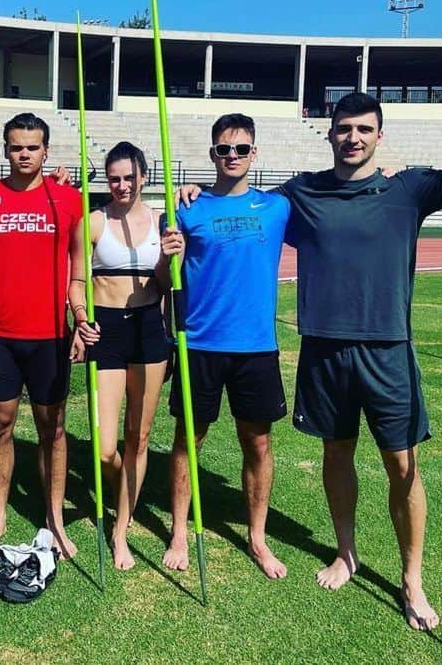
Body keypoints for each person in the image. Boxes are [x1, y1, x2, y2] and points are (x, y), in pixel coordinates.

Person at [281, 48, 442, 630]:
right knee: (336, 453)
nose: (353, 138)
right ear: (329, 134)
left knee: (403, 465)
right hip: (324, 347)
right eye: (344, 129)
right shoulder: (302, 194)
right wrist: (201, 197)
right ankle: (346, 550)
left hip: (387, 350)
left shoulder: (410, 190)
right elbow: (247, 213)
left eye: (364, 130)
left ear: (379, 135)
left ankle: (412, 580)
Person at [157, 114, 290, 579]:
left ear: (254, 154)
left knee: (257, 441)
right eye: (223, 149)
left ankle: (257, 536)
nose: (231, 156)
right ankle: (178, 531)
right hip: (201, 345)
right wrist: (165, 251)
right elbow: (160, 277)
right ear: (212, 154)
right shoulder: (185, 210)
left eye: (240, 149)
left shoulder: (277, 208)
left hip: (255, 346)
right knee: (187, 440)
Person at [0, 113, 84, 558]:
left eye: (32, 147)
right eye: (16, 146)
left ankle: (54, 518)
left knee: (54, 429)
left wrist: (79, 317)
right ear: (5, 150)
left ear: (46, 150)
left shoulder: (68, 200)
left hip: (49, 334)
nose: (24, 154)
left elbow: (79, 268)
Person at [69, 142, 170, 570]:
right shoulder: (92, 223)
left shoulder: (163, 223)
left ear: (143, 176)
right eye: (114, 178)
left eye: (130, 177)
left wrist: (168, 255)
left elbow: (165, 285)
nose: (122, 185)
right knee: (106, 448)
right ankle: (121, 487)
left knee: (139, 437)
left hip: (148, 328)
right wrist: (79, 317)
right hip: (106, 330)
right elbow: (76, 281)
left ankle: (120, 527)